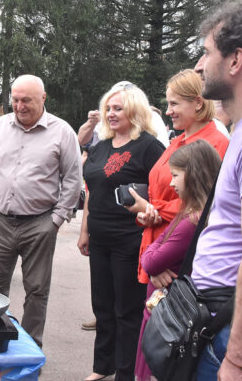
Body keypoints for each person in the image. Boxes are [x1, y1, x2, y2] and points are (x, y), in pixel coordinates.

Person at [0, 74, 81, 348]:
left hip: (40, 224)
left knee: (37, 291)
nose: (19, 106)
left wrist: (56, 219)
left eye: (26, 100)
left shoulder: (62, 131)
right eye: (15, 100)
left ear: (43, 98)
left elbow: (73, 179)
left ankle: (30, 348)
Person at [77, 82, 165, 381]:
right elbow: (92, 190)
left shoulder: (150, 147)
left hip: (131, 240)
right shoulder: (100, 145)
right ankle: (103, 366)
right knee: (102, 306)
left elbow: (163, 192)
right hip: (99, 237)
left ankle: (126, 374)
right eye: (108, 109)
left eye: (118, 109)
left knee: (127, 311)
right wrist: (84, 230)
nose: (111, 114)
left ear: (135, 111)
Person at [192, 0, 242, 379]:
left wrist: (238, 357)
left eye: (206, 53)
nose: (200, 65)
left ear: (235, 61)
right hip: (217, 317)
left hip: (229, 330)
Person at [125, 69, 229, 287]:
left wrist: (154, 209)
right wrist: (148, 214)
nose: (168, 111)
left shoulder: (216, 144)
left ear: (198, 103)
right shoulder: (177, 141)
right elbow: (159, 192)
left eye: (174, 104)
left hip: (179, 256)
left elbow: (206, 204)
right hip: (159, 249)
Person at [134, 140, 222, 381]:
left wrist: (152, 262)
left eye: (175, 175)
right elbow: (154, 251)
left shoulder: (189, 221)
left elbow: (150, 259)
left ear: (193, 175)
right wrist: (153, 260)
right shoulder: (193, 213)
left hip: (167, 316)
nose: (171, 183)